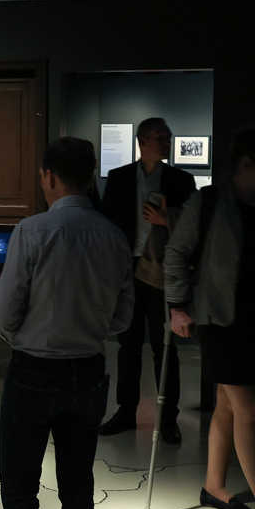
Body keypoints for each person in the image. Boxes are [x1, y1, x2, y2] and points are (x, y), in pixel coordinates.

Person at [0, 137, 135, 509]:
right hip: (89, 373)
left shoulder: (33, 230)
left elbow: (3, 313)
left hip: (34, 372)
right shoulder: (114, 236)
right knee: (77, 494)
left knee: (19, 496)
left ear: (49, 176)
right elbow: (122, 317)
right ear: (91, 176)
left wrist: (27, 337)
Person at [164, 128, 255, 509]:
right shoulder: (207, 202)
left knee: (227, 404)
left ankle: (214, 485)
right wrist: (178, 305)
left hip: (254, 321)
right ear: (246, 163)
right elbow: (176, 252)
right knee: (250, 409)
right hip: (221, 321)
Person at [99, 117, 196, 442]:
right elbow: (108, 223)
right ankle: (126, 412)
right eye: (160, 137)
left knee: (163, 346)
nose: (167, 142)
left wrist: (167, 218)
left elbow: (196, 225)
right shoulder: (119, 177)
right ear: (142, 142)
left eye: (168, 137)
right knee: (128, 344)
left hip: (163, 270)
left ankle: (168, 418)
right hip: (128, 270)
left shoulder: (181, 180)